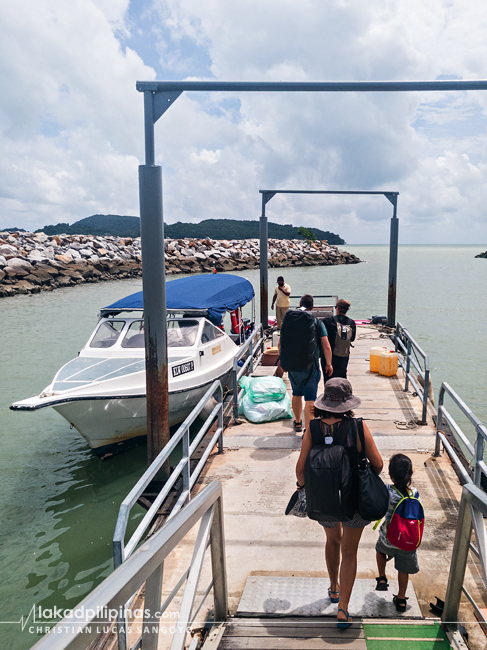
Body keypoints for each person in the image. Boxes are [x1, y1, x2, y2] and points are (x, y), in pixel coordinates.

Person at [295, 379, 383, 628]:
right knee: (350, 551)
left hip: (324, 499)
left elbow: (300, 469)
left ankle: (333, 587)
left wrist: (303, 488)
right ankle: (343, 608)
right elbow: (378, 464)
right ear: (347, 404)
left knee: (332, 540)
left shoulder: (312, 429)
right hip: (354, 498)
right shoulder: (357, 427)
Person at [281, 294, 333, 433]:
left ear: (299, 303)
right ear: (312, 307)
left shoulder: (289, 321)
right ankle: (309, 431)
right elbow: (326, 346)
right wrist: (328, 364)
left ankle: (298, 423)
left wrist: (283, 361)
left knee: (296, 393)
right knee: (310, 397)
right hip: (311, 366)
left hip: (292, 365)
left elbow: (281, 343)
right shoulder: (317, 323)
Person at [375, 454, 420, 612]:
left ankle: (382, 578)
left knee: (379, 550)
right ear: (410, 474)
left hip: (389, 538)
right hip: (407, 542)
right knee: (403, 570)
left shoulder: (388, 491)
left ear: (391, 475)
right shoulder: (414, 493)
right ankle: (401, 599)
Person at [322, 299, 356, 381]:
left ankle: (329, 393)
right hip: (344, 355)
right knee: (342, 377)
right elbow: (352, 339)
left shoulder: (328, 321)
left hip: (330, 355)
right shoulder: (351, 322)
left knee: (329, 379)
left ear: (337, 308)